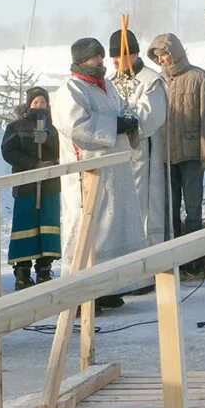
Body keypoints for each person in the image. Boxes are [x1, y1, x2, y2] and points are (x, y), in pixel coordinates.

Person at [52, 37, 143, 312]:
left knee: (111, 229)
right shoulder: (71, 89)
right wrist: (114, 126)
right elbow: (76, 126)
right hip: (87, 174)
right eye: (96, 58)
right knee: (86, 231)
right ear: (81, 61)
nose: (101, 62)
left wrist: (128, 122)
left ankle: (105, 288)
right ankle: (79, 293)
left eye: (102, 57)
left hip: (113, 171)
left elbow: (118, 112)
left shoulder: (107, 87)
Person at [147, 33, 205, 260]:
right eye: (157, 57)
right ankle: (175, 257)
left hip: (191, 155)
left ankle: (195, 258)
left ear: (174, 53)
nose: (161, 61)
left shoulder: (198, 78)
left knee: (193, 208)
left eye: (164, 55)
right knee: (170, 208)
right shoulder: (159, 81)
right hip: (167, 155)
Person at [110, 29, 168, 254]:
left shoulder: (151, 80)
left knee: (142, 207)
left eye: (118, 55)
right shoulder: (110, 83)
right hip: (117, 156)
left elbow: (152, 113)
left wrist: (126, 120)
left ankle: (147, 260)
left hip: (143, 154)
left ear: (132, 54)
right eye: (112, 56)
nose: (114, 61)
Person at [1, 86, 61, 290]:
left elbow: (64, 149)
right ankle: (22, 271)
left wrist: (51, 159)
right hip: (26, 185)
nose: (40, 106)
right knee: (25, 225)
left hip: (50, 184)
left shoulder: (55, 127)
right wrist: (32, 163)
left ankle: (44, 269)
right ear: (28, 105)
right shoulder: (16, 127)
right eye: (36, 103)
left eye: (43, 102)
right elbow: (8, 152)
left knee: (48, 224)